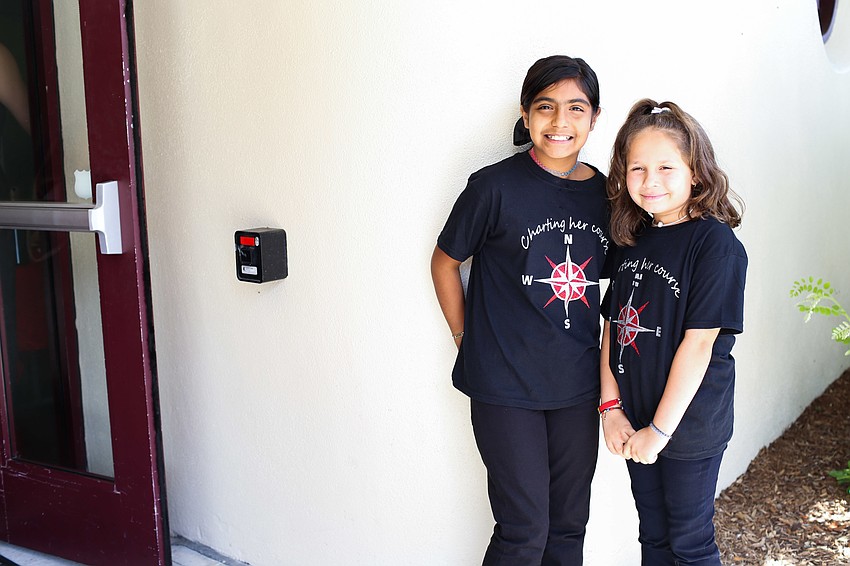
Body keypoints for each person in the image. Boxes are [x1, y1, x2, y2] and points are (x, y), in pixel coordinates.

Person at [431, 55, 611, 565]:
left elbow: (618, 279)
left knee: (568, 527)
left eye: (576, 108)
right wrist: (466, 337)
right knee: (524, 529)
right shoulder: (493, 187)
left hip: (578, 386)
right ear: (526, 114)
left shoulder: (607, 194)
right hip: (505, 386)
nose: (560, 122)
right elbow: (445, 264)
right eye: (546, 107)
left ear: (594, 117)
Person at [599, 99, 748, 565]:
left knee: (689, 542)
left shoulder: (714, 244)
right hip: (635, 418)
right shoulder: (633, 238)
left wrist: (659, 432)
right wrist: (610, 408)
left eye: (666, 167)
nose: (650, 181)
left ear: (696, 173)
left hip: (687, 425)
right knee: (655, 537)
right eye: (637, 168)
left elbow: (699, 343)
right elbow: (613, 327)